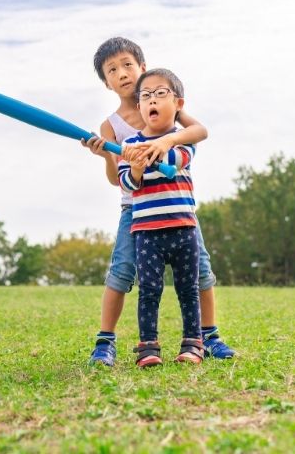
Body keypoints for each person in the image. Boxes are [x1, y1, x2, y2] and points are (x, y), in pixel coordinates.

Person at [82, 37, 235, 366]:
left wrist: (168, 137)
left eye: (127, 64)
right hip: (136, 209)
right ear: (106, 83)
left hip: (176, 206)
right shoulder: (110, 126)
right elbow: (115, 179)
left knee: (201, 273)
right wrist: (106, 156)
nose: (122, 73)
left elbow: (199, 131)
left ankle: (209, 337)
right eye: (112, 70)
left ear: (142, 67)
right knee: (122, 272)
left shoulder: (164, 104)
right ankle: (105, 342)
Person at [118, 68, 207, 365]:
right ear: (140, 107)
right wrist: (136, 168)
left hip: (183, 228)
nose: (151, 100)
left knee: (188, 289)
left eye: (160, 94)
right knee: (149, 291)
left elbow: (178, 159)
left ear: (178, 104)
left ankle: (193, 344)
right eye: (145, 96)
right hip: (146, 231)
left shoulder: (182, 140)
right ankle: (148, 347)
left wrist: (157, 148)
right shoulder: (129, 145)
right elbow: (127, 185)